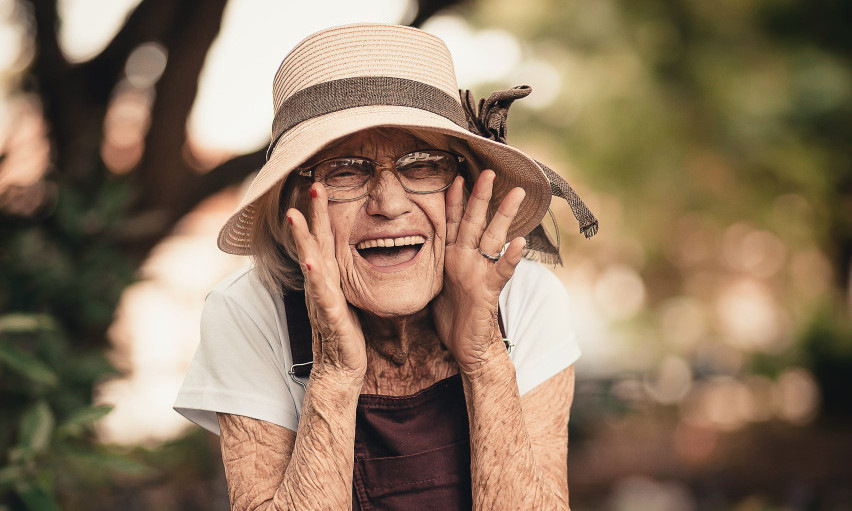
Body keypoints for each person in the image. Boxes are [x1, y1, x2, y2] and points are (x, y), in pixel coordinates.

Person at [174, 23, 598, 510]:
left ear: (462, 183)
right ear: (293, 202)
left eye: (422, 165)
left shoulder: (527, 299)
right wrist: (334, 372)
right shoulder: (249, 314)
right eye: (346, 171)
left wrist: (484, 359)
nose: (389, 204)